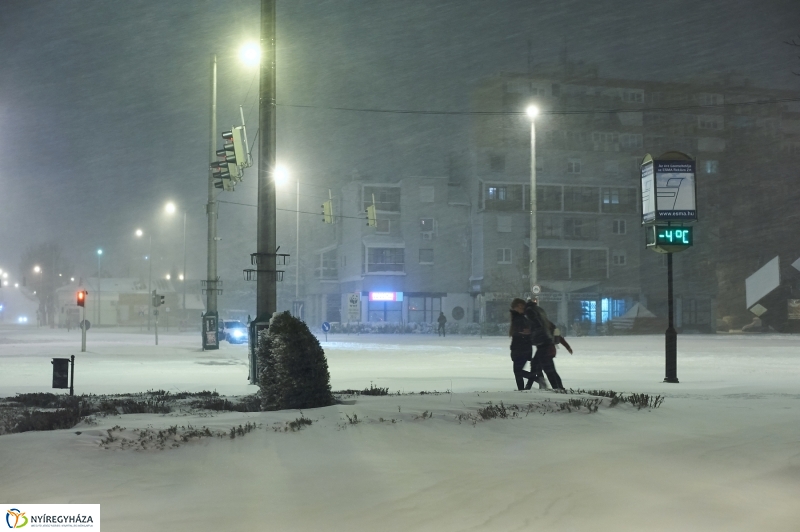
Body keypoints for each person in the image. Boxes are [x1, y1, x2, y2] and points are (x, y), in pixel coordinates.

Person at [525, 299, 566, 391]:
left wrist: (531, 334)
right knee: (539, 365)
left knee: (547, 368)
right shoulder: (539, 310)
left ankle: (556, 388)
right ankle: (556, 387)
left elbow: (537, 325)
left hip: (543, 343)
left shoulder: (529, 311)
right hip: (546, 342)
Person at [508, 298, 535, 390]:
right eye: (519, 307)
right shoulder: (518, 317)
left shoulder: (520, 318)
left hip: (522, 347)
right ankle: (522, 389)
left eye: (522, 307)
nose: (521, 308)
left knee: (517, 371)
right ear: (515, 307)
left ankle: (535, 378)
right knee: (517, 371)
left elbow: (523, 331)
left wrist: (525, 333)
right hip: (520, 347)